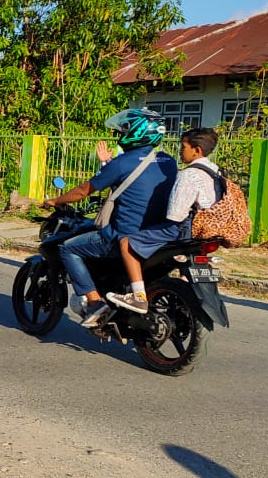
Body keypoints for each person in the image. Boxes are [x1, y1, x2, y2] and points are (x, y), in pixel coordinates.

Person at [42, 108, 176, 327]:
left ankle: (94, 302)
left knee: (68, 248)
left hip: (123, 234)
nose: (120, 134)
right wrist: (107, 163)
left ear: (135, 131)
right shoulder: (167, 161)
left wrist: (56, 201)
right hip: (157, 234)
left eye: (124, 129)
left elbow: (84, 190)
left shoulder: (122, 163)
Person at [106, 128, 222, 315]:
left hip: (181, 229)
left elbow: (175, 214)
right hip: (205, 232)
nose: (179, 151)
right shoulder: (215, 171)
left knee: (127, 243)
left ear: (197, 150)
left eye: (183, 147)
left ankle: (138, 298)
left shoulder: (188, 175)